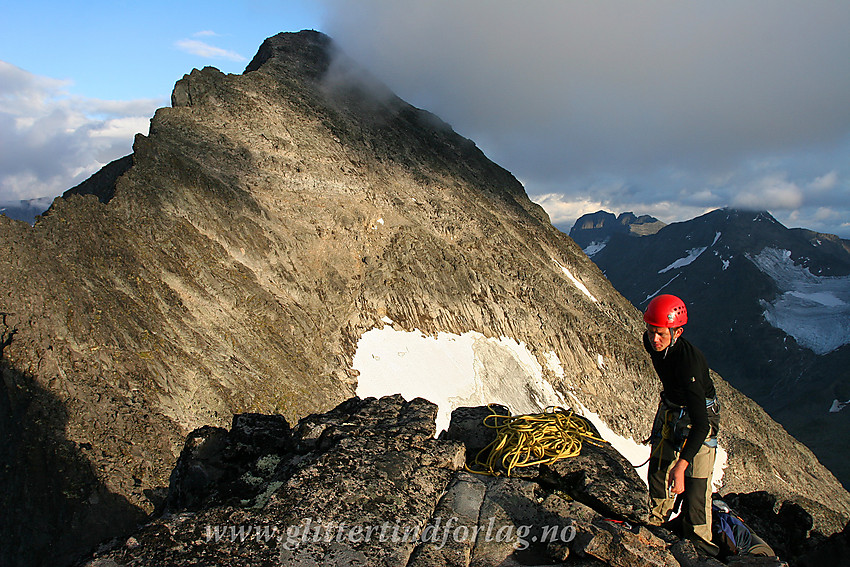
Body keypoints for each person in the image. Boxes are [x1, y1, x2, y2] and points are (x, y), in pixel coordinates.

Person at [643, 294, 720, 556]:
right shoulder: (652, 343)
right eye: (652, 331)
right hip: (672, 408)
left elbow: (701, 425)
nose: (655, 339)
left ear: (678, 332)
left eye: (661, 334)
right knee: (658, 469)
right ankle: (655, 520)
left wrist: (682, 464)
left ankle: (702, 547)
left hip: (699, 416)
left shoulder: (690, 364)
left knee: (696, 489)